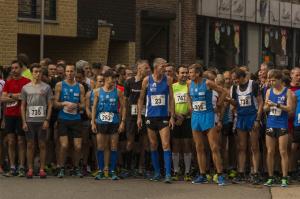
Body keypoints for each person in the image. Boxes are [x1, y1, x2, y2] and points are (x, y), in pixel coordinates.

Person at [137, 58, 175, 183]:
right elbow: (141, 99)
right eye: (162, 67)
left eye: (165, 67)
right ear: (156, 67)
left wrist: (172, 116)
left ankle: (168, 174)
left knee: (165, 144)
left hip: (163, 116)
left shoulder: (168, 80)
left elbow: (171, 99)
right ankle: (157, 172)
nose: (165, 69)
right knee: (153, 144)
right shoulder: (147, 80)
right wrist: (139, 117)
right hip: (150, 116)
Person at [187, 64, 226, 186]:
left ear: (198, 73)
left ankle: (220, 175)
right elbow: (188, 95)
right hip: (196, 117)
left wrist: (218, 105)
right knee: (199, 147)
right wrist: (190, 106)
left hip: (208, 115)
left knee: (214, 147)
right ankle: (202, 174)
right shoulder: (189, 83)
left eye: (191, 72)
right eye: (189, 72)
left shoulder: (208, 83)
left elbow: (224, 91)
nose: (189, 75)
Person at [227, 68, 263, 184]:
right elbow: (236, 104)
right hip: (241, 117)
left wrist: (258, 119)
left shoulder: (253, 84)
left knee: (254, 147)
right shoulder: (234, 88)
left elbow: (261, 103)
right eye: (233, 79)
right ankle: (241, 172)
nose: (234, 81)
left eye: (236, 79)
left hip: (252, 116)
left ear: (242, 77)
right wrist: (229, 101)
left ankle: (255, 173)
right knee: (241, 147)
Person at [91, 69, 126, 180]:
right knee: (100, 147)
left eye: (115, 78)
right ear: (106, 78)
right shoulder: (97, 91)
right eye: (112, 78)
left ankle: (112, 171)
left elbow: (124, 107)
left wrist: (122, 122)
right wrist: (93, 122)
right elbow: (94, 107)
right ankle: (101, 170)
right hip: (101, 121)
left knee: (114, 147)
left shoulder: (118, 92)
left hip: (114, 122)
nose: (114, 80)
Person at [20, 63, 53, 178]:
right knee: (30, 145)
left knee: (42, 145)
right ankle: (30, 169)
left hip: (42, 121)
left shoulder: (46, 87)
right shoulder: (25, 87)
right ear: (32, 73)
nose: (38, 74)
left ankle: (42, 169)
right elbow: (23, 106)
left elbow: (50, 104)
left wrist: (47, 120)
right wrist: (24, 121)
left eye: (40, 72)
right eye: (35, 71)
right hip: (29, 121)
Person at [54, 64, 85, 178]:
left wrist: (76, 105)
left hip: (76, 119)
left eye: (72, 71)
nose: (69, 73)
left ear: (75, 72)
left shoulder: (80, 87)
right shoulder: (59, 85)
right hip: (63, 119)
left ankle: (76, 168)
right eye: (67, 71)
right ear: (65, 72)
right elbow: (55, 103)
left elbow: (83, 105)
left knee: (77, 146)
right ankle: (61, 167)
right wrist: (64, 103)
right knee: (64, 145)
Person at [1, 60, 31, 177]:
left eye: (16, 68)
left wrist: (11, 95)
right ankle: (13, 166)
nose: (14, 70)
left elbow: (26, 97)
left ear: (21, 69)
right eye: (12, 68)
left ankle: (22, 166)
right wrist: (16, 96)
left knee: (21, 141)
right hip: (9, 116)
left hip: (21, 116)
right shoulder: (8, 82)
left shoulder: (27, 82)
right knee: (11, 142)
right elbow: (2, 99)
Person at [263, 69, 292, 187]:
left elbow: (289, 108)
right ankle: (270, 177)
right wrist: (268, 106)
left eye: (273, 80)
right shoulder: (269, 91)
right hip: (271, 123)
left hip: (282, 124)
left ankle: (284, 177)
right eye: (270, 80)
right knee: (270, 152)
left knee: (283, 151)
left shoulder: (287, 91)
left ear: (280, 80)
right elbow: (265, 108)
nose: (271, 82)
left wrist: (276, 104)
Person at [124, 60, 151, 176]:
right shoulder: (129, 82)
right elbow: (125, 101)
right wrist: (123, 119)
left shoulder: (149, 82)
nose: (148, 70)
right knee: (130, 142)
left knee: (144, 143)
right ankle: (128, 168)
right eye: (146, 68)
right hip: (131, 116)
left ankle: (142, 167)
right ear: (139, 69)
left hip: (145, 115)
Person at [171, 65, 193, 181]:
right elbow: (170, 103)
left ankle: (187, 171)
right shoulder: (173, 87)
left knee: (186, 144)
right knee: (175, 145)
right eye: (182, 73)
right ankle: (175, 170)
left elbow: (193, 102)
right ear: (177, 74)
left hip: (187, 118)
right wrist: (175, 115)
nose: (184, 75)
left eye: (186, 73)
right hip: (175, 119)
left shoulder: (190, 86)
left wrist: (184, 116)